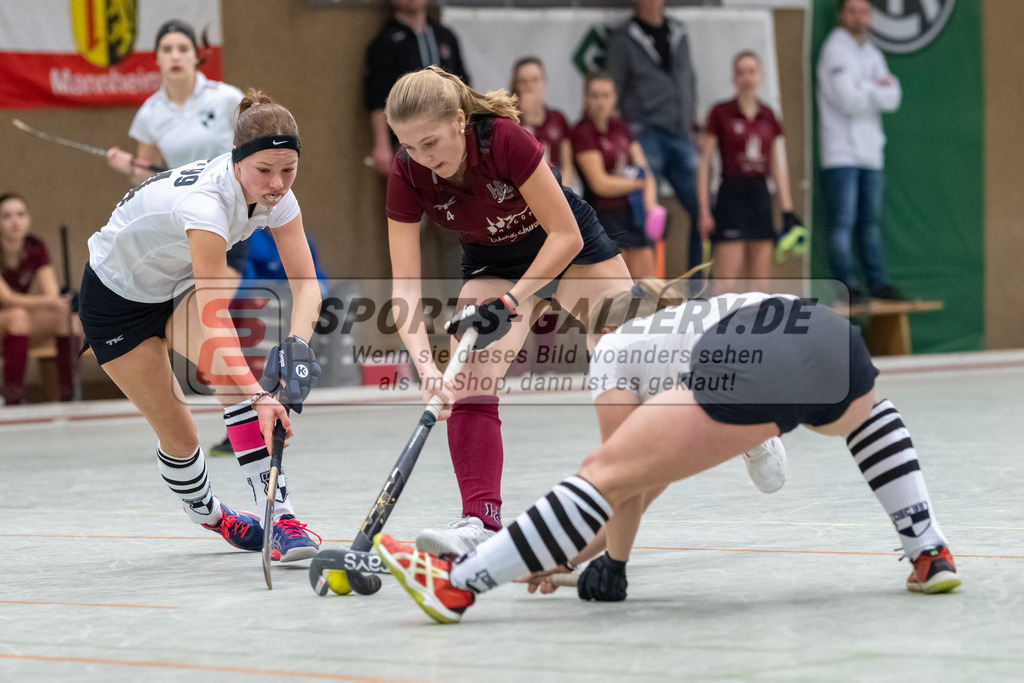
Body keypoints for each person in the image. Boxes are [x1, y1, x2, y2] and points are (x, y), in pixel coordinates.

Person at [374, 276, 961, 623]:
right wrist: (581, 557)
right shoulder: (690, 324)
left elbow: (617, 487)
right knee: (869, 418)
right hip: (828, 332)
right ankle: (929, 549)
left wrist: (611, 564)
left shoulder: (615, 348)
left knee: (599, 473)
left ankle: (461, 582)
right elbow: (648, 477)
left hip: (749, 362)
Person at [383, 65, 633, 557]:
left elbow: (565, 235)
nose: (422, 158)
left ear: (458, 120)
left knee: (630, 360)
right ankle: (481, 520)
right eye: (408, 146)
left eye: (430, 142)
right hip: (493, 261)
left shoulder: (502, 140)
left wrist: (514, 301)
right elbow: (404, 289)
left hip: (566, 246)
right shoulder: (408, 173)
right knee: (470, 376)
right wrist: (427, 367)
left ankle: (732, 427)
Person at [79, 90, 323, 562]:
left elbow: (308, 287)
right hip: (114, 299)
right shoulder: (206, 205)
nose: (276, 183)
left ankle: (282, 517)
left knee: (232, 375)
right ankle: (211, 515)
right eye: (264, 171)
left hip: (173, 286)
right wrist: (261, 395)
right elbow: (216, 317)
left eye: (288, 170)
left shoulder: (281, 199)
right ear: (237, 161)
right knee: (183, 436)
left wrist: (295, 347)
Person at [104, 19, 251, 456]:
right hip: (179, 231)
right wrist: (127, 163)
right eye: (166, 48)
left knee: (213, 319)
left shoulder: (226, 98)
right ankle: (244, 412)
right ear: (158, 59)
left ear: (195, 55)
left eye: (182, 48)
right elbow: (145, 177)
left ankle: (246, 414)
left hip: (228, 224)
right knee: (204, 328)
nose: (174, 55)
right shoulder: (150, 113)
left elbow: (254, 149)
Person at [604, 0, 702, 271]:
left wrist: (694, 123)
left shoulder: (679, 31)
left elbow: (689, 79)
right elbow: (612, 87)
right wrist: (623, 136)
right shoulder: (623, 37)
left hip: (681, 132)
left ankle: (699, 289)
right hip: (644, 132)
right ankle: (648, 287)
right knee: (647, 210)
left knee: (705, 205)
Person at [817, 0, 904, 302]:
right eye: (852, 11)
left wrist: (864, 87)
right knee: (843, 222)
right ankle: (846, 286)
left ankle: (878, 284)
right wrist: (874, 88)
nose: (858, 18)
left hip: (871, 152)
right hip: (841, 152)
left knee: (870, 224)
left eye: (863, 12)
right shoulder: (834, 49)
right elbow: (847, 100)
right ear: (842, 14)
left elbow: (894, 97)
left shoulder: (872, 53)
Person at [698, 50, 801, 294]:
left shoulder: (768, 116)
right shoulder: (720, 113)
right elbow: (706, 163)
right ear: (734, 77)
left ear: (761, 76)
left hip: (760, 196)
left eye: (752, 71)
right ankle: (720, 329)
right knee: (726, 280)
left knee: (761, 284)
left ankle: (758, 331)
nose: (747, 77)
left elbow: (777, 164)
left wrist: (787, 209)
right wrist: (704, 210)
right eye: (741, 72)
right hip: (731, 194)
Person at [364, 0, 470, 178]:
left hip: (450, 138)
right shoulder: (385, 42)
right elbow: (378, 98)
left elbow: (463, 87)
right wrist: (382, 144)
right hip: (408, 145)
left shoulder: (445, 37)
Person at [572, 72, 659, 280]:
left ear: (614, 98)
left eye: (606, 95)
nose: (600, 102)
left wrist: (650, 206)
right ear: (586, 98)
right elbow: (600, 184)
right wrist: (639, 183)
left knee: (649, 285)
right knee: (618, 289)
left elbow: (646, 171)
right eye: (595, 96)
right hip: (602, 217)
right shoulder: (582, 132)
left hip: (632, 213)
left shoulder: (622, 128)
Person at [0, 194, 77, 405]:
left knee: (64, 314)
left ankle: (69, 396)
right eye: (6, 216)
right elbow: (6, 299)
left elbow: (52, 294)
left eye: (20, 214)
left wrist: (56, 302)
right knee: (17, 315)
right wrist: (48, 301)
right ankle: (13, 399)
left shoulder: (35, 246)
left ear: (28, 219)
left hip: (18, 324)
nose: (15, 221)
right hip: (7, 319)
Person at [509, 57, 574, 188]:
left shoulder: (558, 118)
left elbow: (567, 166)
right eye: (523, 82)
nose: (530, 86)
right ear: (516, 86)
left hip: (557, 189)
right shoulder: (510, 121)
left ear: (544, 81)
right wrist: (525, 117)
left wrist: (563, 191)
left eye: (535, 80)